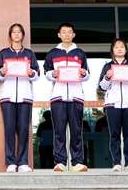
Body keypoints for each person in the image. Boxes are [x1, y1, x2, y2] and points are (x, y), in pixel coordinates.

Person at [0, 23, 39, 173]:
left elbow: (37, 74)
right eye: (14, 32)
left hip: (25, 96)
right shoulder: (3, 53)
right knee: (9, 129)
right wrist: (2, 71)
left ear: (23, 35)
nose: (17, 34)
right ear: (10, 35)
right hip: (7, 96)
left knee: (24, 129)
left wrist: (31, 73)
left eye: (19, 32)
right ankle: (11, 162)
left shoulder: (29, 54)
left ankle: (23, 162)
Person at [43, 22, 89, 173]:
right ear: (59, 35)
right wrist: (53, 74)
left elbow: (87, 74)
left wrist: (84, 74)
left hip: (76, 96)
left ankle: (77, 162)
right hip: (58, 96)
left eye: (69, 32)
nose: (67, 34)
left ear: (73, 35)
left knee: (76, 130)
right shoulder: (53, 53)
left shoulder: (80, 53)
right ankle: (60, 162)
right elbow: (46, 72)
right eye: (64, 32)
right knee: (59, 131)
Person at [98, 39, 128, 172]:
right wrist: (107, 77)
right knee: (114, 134)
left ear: (126, 49)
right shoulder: (108, 66)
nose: (119, 49)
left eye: (122, 47)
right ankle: (116, 162)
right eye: (116, 47)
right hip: (112, 104)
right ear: (112, 50)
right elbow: (102, 87)